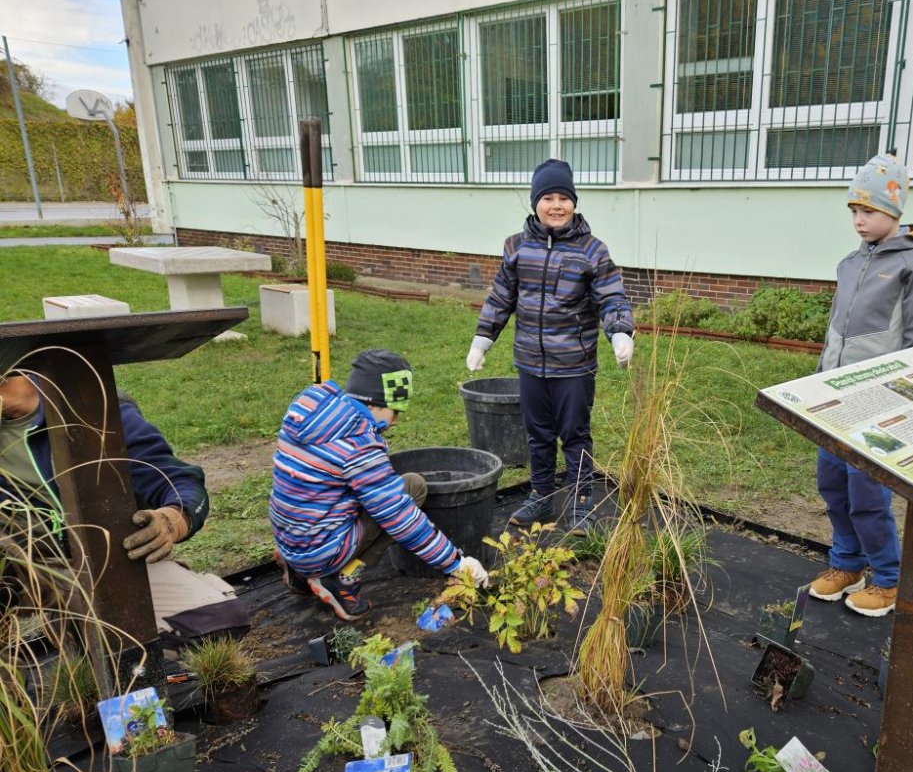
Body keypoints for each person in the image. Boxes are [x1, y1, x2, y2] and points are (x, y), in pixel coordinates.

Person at [0, 372, 243, 639]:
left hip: (105, 561)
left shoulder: (94, 407)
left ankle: (81, 631)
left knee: (215, 624)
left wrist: (170, 521)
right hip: (18, 565)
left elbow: (176, 481)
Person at [465, 158, 633, 534]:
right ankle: (540, 496)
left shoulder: (592, 251)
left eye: (563, 197)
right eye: (548, 197)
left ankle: (581, 502)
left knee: (574, 434)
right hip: (530, 363)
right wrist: (483, 339)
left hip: (574, 365)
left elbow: (612, 298)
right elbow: (500, 298)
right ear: (535, 202)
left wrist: (620, 332)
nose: (556, 205)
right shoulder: (516, 247)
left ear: (574, 202)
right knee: (537, 434)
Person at [808, 153, 913, 617]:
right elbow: (834, 332)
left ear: (894, 212)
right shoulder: (848, 263)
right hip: (833, 400)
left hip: (875, 404)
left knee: (868, 493)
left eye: (869, 211)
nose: (859, 221)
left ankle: (888, 578)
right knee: (833, 484)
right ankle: (847, 564)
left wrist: (902, 397)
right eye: (854, 212)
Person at [270, 349, 488, 621]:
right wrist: (456, 563)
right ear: (374, 401)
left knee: (360, 492)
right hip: (320, 550)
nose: (395, 420)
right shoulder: (358, 445)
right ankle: (340, 579)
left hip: (290, 536)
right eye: (394, 411)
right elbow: (399, 516)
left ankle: (300, 572)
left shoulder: (310, 404)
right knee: (411, 487)